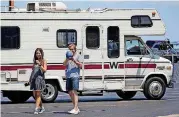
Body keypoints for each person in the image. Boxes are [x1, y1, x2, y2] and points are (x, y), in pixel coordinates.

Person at [63, 44, 82, 115]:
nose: (71, 50)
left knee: (74, 92)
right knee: (70, 92)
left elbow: (81, 65)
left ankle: (76, 109)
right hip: (68, 76)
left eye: (73, 49)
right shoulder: (68, 56)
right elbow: (64, 64)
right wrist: (67, 59)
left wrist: (74, 61)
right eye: (70, 49)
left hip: (75, 76)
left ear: (75, 49)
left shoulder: (78, 55)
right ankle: (76, 107)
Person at [27, 48, 47, 114]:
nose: (38, 54)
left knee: (38, 94)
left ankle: (36, 109)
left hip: (39, 79)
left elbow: (44, 70)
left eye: (39, 53)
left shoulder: (44, 61)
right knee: (35, 95)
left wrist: (40, 65)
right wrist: (30, 80)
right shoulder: (35, 61)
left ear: (41, 53)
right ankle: (42, 107)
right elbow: (33, 71)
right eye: (37, 53)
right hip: (34, 79)